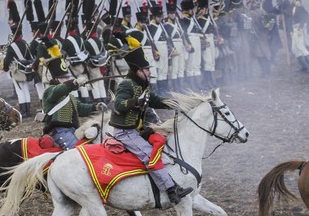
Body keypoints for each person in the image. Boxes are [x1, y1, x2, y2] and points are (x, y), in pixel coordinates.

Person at [109, 38, 194, 205]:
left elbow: (156, 100)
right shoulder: (126, 85)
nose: (149, 72)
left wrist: (178, 104)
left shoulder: (143, 85)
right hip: (125, 132)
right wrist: (135, 102)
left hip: (137, 130)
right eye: (146, 69)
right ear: (138, 70)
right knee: (150, 155)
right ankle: (171, 189)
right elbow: (118, 104)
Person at [40, 43, 102, 150]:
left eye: (67, 77)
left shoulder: (68, 94)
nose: (67, 79)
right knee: (78, 151)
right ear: (56, 79)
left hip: (72, 130)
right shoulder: (50, 91)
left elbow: (80, 108)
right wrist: (74, 83)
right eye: (64, 78)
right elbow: (59, 90)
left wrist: (95, 107)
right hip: (59, 132)